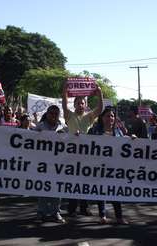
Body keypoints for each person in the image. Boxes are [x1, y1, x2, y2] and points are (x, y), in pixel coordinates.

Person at [62, 81, 103, 217]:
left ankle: (84, 207)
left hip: (86, 155)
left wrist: (100, 93)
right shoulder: (69, 115)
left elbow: (100, 109)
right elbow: (63, 104)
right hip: (72, 154)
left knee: (84, 181)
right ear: (74, 105)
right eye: (78, 103)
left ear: (85, 105)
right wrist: (65, 90)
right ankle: (72, 208)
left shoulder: (88, 117)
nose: (80, 105)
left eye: (82, 103)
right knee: (73, 181)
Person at [88, 106, 129, 224]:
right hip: (99, 166)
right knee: (101, 191)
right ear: (102, 118)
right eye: (107, 116)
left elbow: (125, 145)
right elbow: (84, 143)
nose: (109, 118)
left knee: (115, 192)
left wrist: (132, 139)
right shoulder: (94, 131)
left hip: (115, 168)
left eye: (112, 116)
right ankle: (102, 215)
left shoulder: (118, 132)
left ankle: (119, 217)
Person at [34, 105, 67, 223]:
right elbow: (30, 141)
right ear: (47, 114)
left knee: (57, 189)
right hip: (43, 163)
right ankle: (41, 212)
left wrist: (75, 135)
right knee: (43, 187)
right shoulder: (40, 126)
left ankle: (56, 212)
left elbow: (71, 142)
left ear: (59, 115)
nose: (53, 116)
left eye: (56, 114)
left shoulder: (63, 127)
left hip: (58, 164)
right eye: (51, 113)